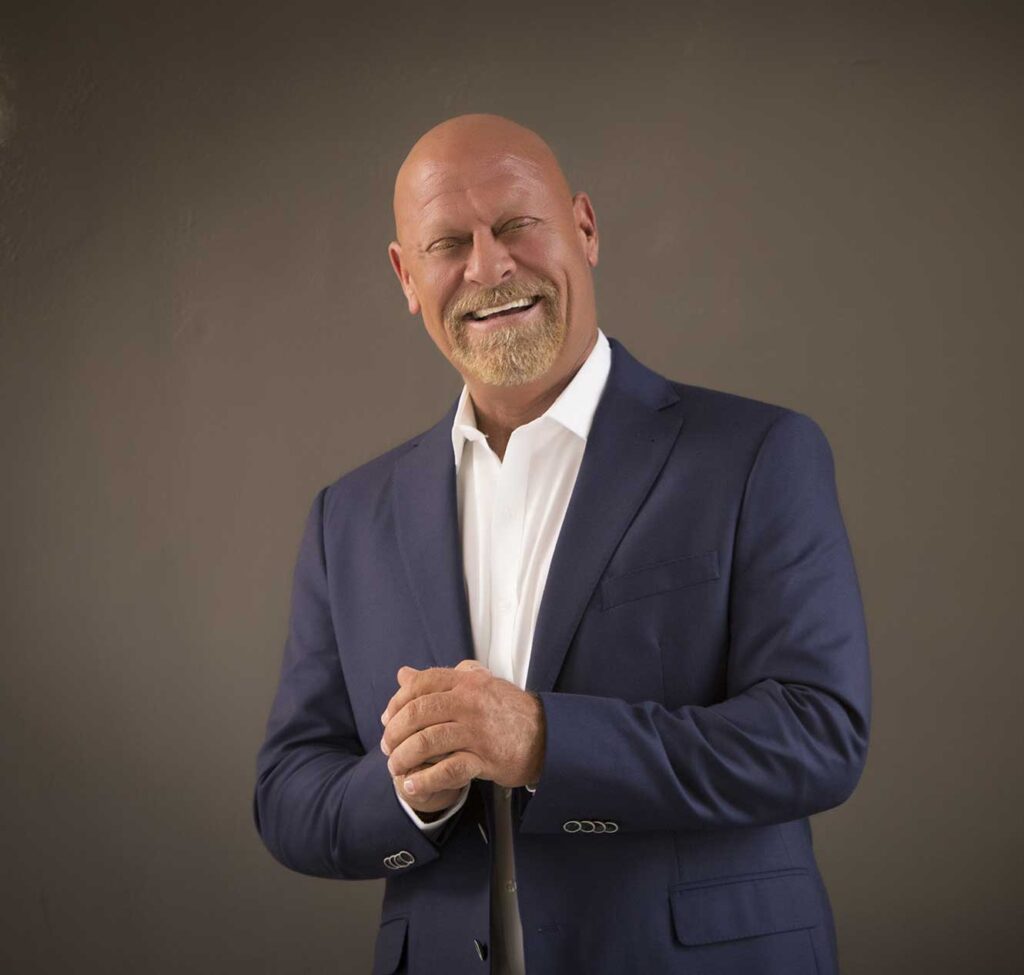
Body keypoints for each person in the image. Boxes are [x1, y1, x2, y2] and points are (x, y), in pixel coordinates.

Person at [253, 113, 871, 975]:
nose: (488, 266)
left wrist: (545, 740)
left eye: (516, 224)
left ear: (584, 228)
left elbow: (818, 733)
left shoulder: (758, 453)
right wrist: (408, 791)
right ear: (406, 276)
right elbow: (288, 793)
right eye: (448, 244)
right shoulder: (347, 517)